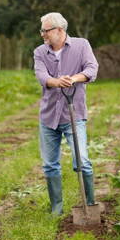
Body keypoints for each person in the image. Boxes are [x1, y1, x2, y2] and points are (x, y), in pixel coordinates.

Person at [33, 12, 98, 215]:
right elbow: (41, 75)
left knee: (82, 162)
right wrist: (56, 81)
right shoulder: (40, 52)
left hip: (74, 114)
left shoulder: (81, 45)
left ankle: (90, 204)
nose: (42, 34)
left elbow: (92, 69)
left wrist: (75, 78)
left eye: (45, 30)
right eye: (42, 30)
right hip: (49, 116)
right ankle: (57, 209)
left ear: (59, 30)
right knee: (50, 166)